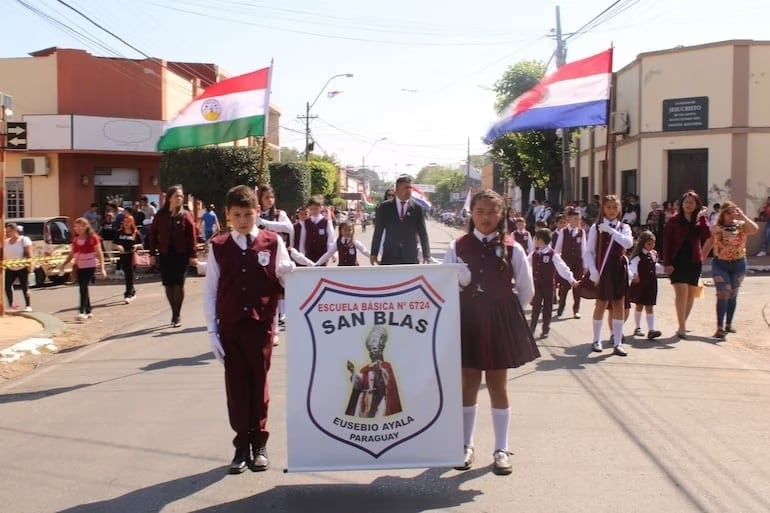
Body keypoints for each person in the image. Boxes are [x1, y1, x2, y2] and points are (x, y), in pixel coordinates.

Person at [443, 189, 538, 476]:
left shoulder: (513, 247)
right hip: (467, 321)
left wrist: (503, 311)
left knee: (498, 385)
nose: (486, 217)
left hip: (499, 322)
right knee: (468, 384)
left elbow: (526, 289)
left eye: (492, 212)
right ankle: (464, 444)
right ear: (471, 213)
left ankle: (501, 448)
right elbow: (443, 288)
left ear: (502, 215)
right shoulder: (457, 246)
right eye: (480, 211)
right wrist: (459, 283)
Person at [203, 185, 295, 474]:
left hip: (260, 326)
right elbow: (210, 292)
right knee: (237, 389)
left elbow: (284, 280)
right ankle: (241, 446)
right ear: (228, 216)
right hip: (230, 327)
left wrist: (287, 272)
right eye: (237, 215)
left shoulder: (272, 242)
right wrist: (211, 332)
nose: (243, 220)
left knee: (260, 386)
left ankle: (260, 444)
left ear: (258, 212)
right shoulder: (218, 246)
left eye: (248, 213)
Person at [585, 195, 635, 356]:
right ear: (603, 209)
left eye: (615, 207)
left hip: (618, 269)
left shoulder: (624, 227)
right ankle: (596, 339)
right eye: (608, 207)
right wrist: (593, 270)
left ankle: (618, 341)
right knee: (600, 304)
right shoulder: (596, 227)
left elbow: (628, 244)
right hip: (603, 270)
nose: (611, 211)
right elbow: (589, 252)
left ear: (619, 209)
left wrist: (612, 231)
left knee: (618, 305)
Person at [663, 190, 712, 339]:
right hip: (677, 260)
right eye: (686, 202)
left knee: (691, 293)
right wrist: (667, 263)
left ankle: (682, 324)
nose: (689, 204)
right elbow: (666, 243)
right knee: (681, 292)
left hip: (694, 260)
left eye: (692, 202)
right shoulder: (673, 220)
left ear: (697, 205)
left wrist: (702, 218)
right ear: (681, 204)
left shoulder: (699, 220)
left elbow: (707, 236)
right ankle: (682, 327)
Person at [149, 184, 198, 327]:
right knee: (168, 285)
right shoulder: (160, 215)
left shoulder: (186, 214)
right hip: (165, 254)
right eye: (177, 196)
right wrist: (152, 254)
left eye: (181, 196)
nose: (180, 198)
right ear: (169, 198)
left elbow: (192, 236)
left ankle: (177, 315)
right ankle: (173, 311)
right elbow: (152, 235)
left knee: (178, 284)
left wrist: (193, 255)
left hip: (181, 255)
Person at [708, 201, 759, 339]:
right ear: (723, 214)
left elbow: (754, 229)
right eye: (728, 213)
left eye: (733, 212)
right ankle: (719, 327)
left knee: (733, 293)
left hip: (739, 264)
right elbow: (712, 232)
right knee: (723, 293)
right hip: (720, 264)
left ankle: (728, 324)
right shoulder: (718, 227)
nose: (731, 215)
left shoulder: (741, 226)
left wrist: (742, 215)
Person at [529, 228, 578, 339]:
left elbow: (563, 268)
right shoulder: (534, 253)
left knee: (547, 307)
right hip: (537, 285)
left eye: (536, 238)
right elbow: (525, 265)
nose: (535, 241)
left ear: (541, 240)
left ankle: (545, 329)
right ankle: (532, 328)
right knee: (536, 307)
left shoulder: (553, 254)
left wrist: (572, 280)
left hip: (548, 286)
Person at [370, 176, 431, 265]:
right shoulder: (384, 207)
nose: (409, 190)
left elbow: (423, 232)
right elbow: (378, 231)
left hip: (410, 256)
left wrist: (426, 254)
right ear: (397, 189)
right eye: (406, 188)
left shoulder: (417, 208)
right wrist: (374, 253)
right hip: (390, 255)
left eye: (410, 188)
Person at [345, 326, 403, 418]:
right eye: (371, 350)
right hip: (364, 401)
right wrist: (353, 372)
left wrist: (378, 370)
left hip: (379, 401)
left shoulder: (386, 366)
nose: (372, 352)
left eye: (375, 349)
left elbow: (385, 382)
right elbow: (359, 384)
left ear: (380, 351)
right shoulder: (365, 369)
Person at [59, 217, 106, 320]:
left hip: (90, 265)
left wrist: (102, 268)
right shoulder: (75, 239)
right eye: (76, 226)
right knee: (83, 287)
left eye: (81, 226)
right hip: (80, 266)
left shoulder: (93, 238)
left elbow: (99, 253)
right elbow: (72, 253)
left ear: (86, 226)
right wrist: (64, 263)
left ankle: (82, 311)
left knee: (83, 287)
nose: (78, 228)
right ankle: (88, 310)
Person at [628, 231, 663, 340]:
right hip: (641, 283)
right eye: (649, 244)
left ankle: (651, 330)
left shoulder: (653, 254)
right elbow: (632, 265)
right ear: (643, 243)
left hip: (651, 283)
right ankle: (638, 327)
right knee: (639, 305)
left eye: (653, 243)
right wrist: (635, 275)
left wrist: (664, 269)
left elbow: (654, 266)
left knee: (650, 305)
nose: (651, 246)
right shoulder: (638, 256)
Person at [554, 207, 587, 318]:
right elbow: (558, 249)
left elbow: (584, 249)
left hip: (578, 263)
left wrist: (585, 266)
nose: (578, 221)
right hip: (566, 263)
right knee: (564, 287)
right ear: (569, 219)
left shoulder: (581, 232)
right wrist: (557, 262)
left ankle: (576, 309)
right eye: (575, 219)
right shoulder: (563, 232)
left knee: (577, 287)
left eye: (579, 219)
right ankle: (561, 306)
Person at [298, 196, 336, 266]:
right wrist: (302, 253)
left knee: (322, 274)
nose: (314, 211)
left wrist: (332, 253)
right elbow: (303, 239)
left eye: (316, 209)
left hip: (322, 255)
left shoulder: (326, 222)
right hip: (309, 254)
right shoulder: (305, 222)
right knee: (310, 273)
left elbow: (331, 239)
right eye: (311, 209)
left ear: (321, 207)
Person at [4, 223, 33, 312]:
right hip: (10, 267)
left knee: (25, 286)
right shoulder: (6, 242)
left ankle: (28, 305)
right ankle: (11, 303)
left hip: (22, 267)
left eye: (9, 231)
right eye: (7, 231)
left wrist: (30, 265)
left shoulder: (24, 240)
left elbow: (29, 254)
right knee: (7, 285)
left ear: (15, 231)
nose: (8, 233)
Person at [114, 214, 142, 304]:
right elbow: (114, 244)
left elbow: (141, 244)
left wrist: (136, 246)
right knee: (128, 273)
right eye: (125, 222)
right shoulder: (119, 232)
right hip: (123, 255)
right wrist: (119, 247)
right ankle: (132, 291)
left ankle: (128, 294)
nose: (126, 224)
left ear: (132, 222)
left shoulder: (136, 233)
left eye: (128, 222)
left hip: (132, 256)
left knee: (129, 274)